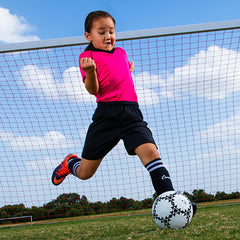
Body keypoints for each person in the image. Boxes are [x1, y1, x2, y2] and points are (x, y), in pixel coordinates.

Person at [51, 10, 196, 215]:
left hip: (131, 114)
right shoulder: (87, 57)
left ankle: (174, 203)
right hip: (106, 116)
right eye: (101, 32)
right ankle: (70, 162)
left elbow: (120, 70)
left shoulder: (121, 52)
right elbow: (93, 90)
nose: (108, 36)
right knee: (85, 173)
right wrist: (91, 72)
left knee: (152, 154)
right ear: (88, 36)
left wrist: (128, 68)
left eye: (111, 31)